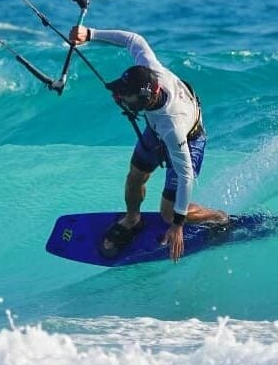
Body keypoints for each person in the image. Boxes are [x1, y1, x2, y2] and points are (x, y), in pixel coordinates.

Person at [69, 25, 229, 262]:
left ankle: (217, 217)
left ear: (145, 98)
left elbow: (185, 176)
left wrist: (178, 224)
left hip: (188, 139)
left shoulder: (173, 126)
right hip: (155, 131)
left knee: (168, 212)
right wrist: (90, 34)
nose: (120, 97)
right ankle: (133, 218)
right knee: (135, 177)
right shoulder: (151, 71)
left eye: (126, 95)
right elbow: (134, 39)